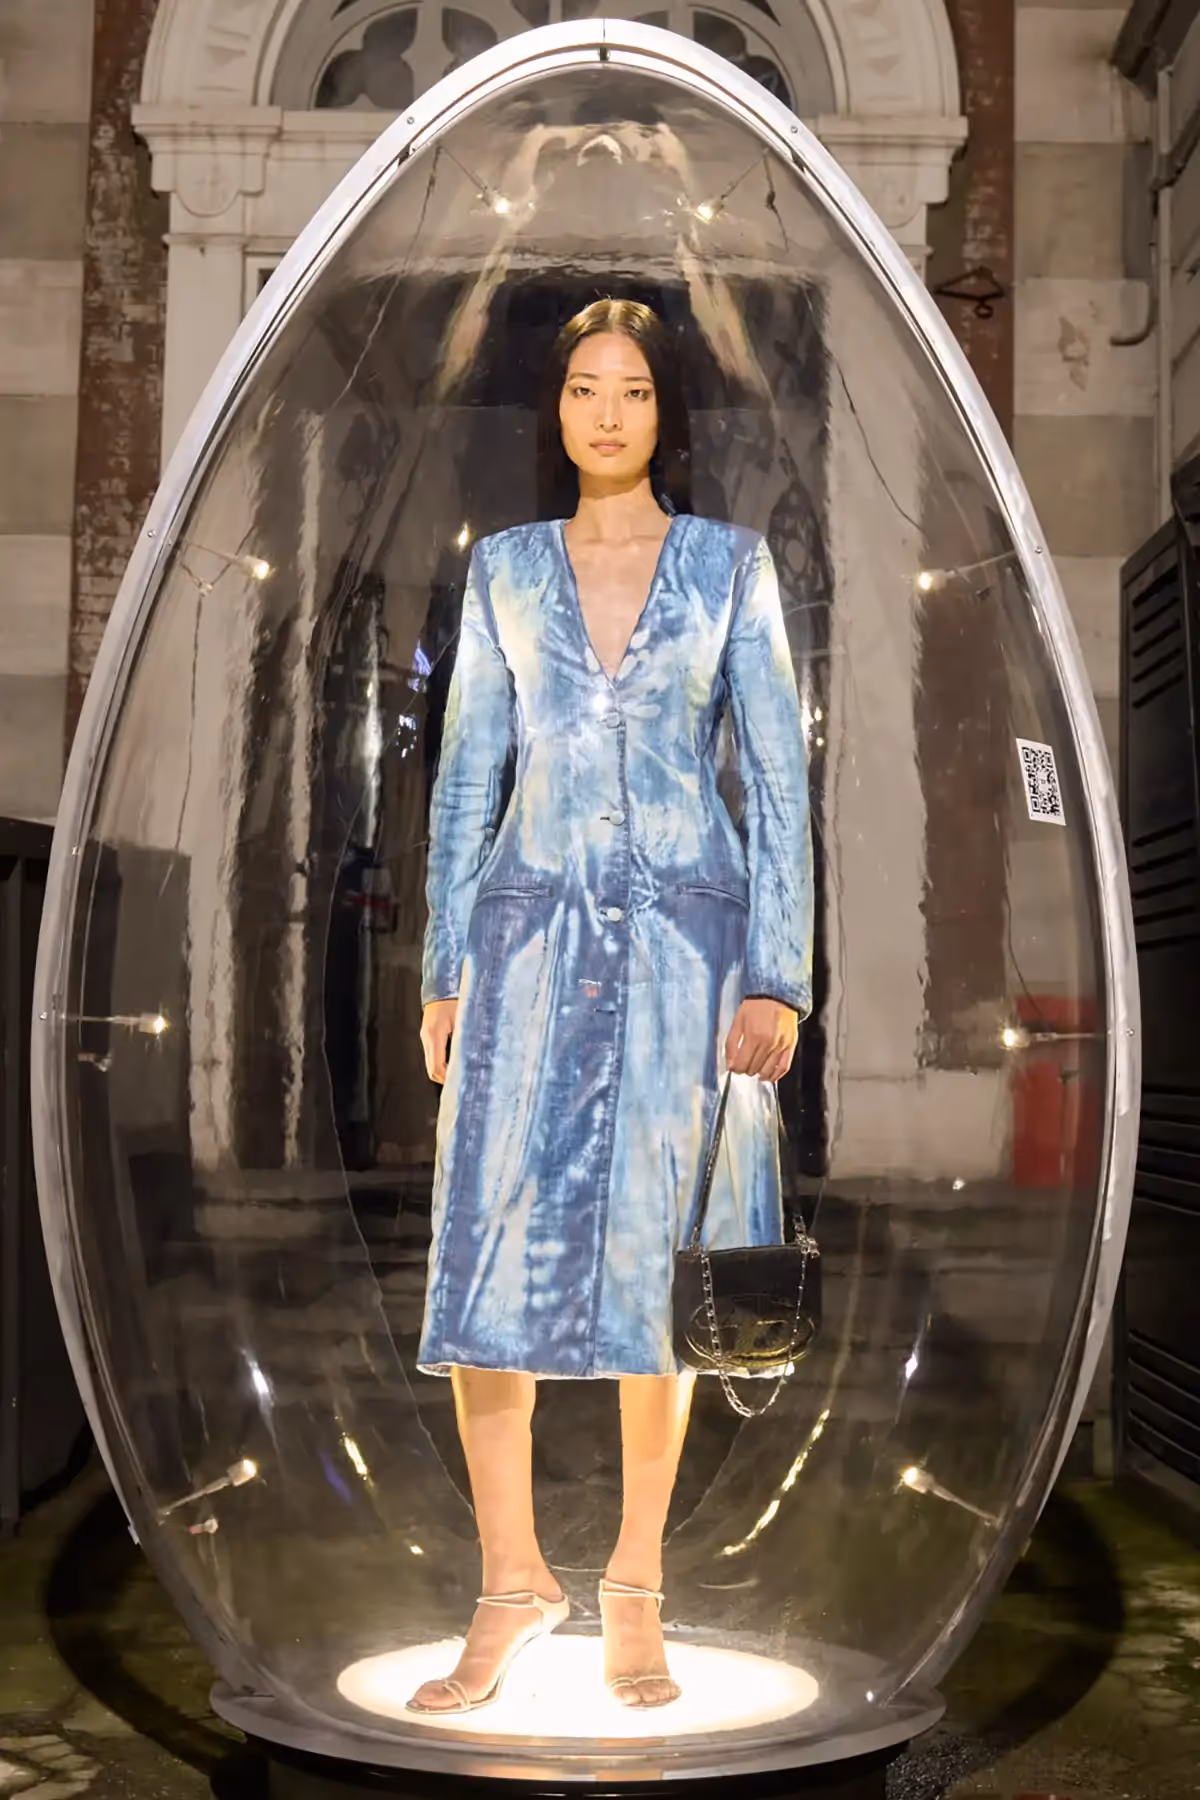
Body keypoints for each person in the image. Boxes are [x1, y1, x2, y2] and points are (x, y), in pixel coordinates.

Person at [409, 298, 813, 1716]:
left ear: (665, 413)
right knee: (482, 1253)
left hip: (689, 952)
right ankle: (509, 1579)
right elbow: (468, 775)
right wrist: (443, 967)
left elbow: (778, 780)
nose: (606, 412)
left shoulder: (730, 567)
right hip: (523, 942)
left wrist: (778, 974)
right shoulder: (506, 570)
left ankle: (636, 1580)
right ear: (558, 409)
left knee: (661, 1259)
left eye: (632, 390)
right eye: (584, 388)